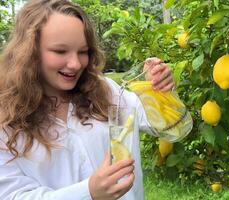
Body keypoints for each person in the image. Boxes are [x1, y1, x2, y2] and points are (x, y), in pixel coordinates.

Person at [0, 0, 174, 199]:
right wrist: (88, 192)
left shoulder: (107, 91)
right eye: (60, 51)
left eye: (83, 52)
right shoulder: (6, 121)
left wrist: (161, 91)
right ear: (29, 52)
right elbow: (12, 195)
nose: (75, 64)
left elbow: (166, 126)